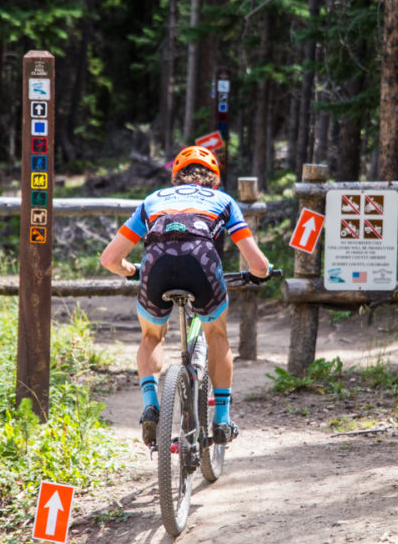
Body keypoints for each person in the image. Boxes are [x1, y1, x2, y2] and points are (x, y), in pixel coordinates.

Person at [99, 145, 271, 448]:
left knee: (152, 336)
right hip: (202, 264)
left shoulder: (153, 200)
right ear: (214, 180)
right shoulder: (222, 200)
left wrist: (132, 271)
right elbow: (258, 265)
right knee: (217, 334)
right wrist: (260, 274)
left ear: (176, 179)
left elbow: (110, 259)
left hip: (156, 267)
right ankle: (221, 420)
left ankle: (151, 403)